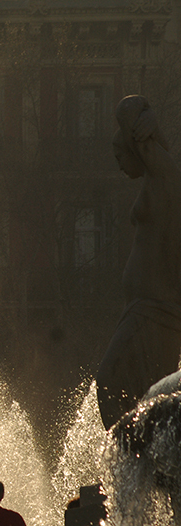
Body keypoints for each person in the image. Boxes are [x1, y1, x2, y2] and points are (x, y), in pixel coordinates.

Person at [96, 95, 181, 430]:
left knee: (108, 381)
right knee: (152, 398)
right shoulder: (155, 182)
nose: (118, 164)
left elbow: (128, 107)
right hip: (149, 310)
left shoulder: (164, 177)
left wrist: (144, 119)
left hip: (154, 311)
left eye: (120, 155)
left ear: (134, 146)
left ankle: (133, 463)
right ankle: (150, 466)